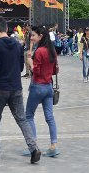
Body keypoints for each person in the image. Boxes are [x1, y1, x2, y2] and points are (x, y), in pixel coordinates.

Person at [0, 16, 41, 164]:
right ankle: (33, 149)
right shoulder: (17, 45)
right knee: (22, 119)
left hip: (0, 88)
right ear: (7, 28)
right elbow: (21, 67)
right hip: (16, 87)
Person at [25, 26, 59, 157]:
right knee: (50, 117)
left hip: (37, 86)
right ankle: (53, 145)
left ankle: (33, 147)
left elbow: (36, 71)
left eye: (33, 35)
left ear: (41, 36)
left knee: (28, 116)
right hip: (49, 87)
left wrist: (29, 62)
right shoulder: (51, 51)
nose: (31, 37)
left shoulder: (40, 51)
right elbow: (56, 70)